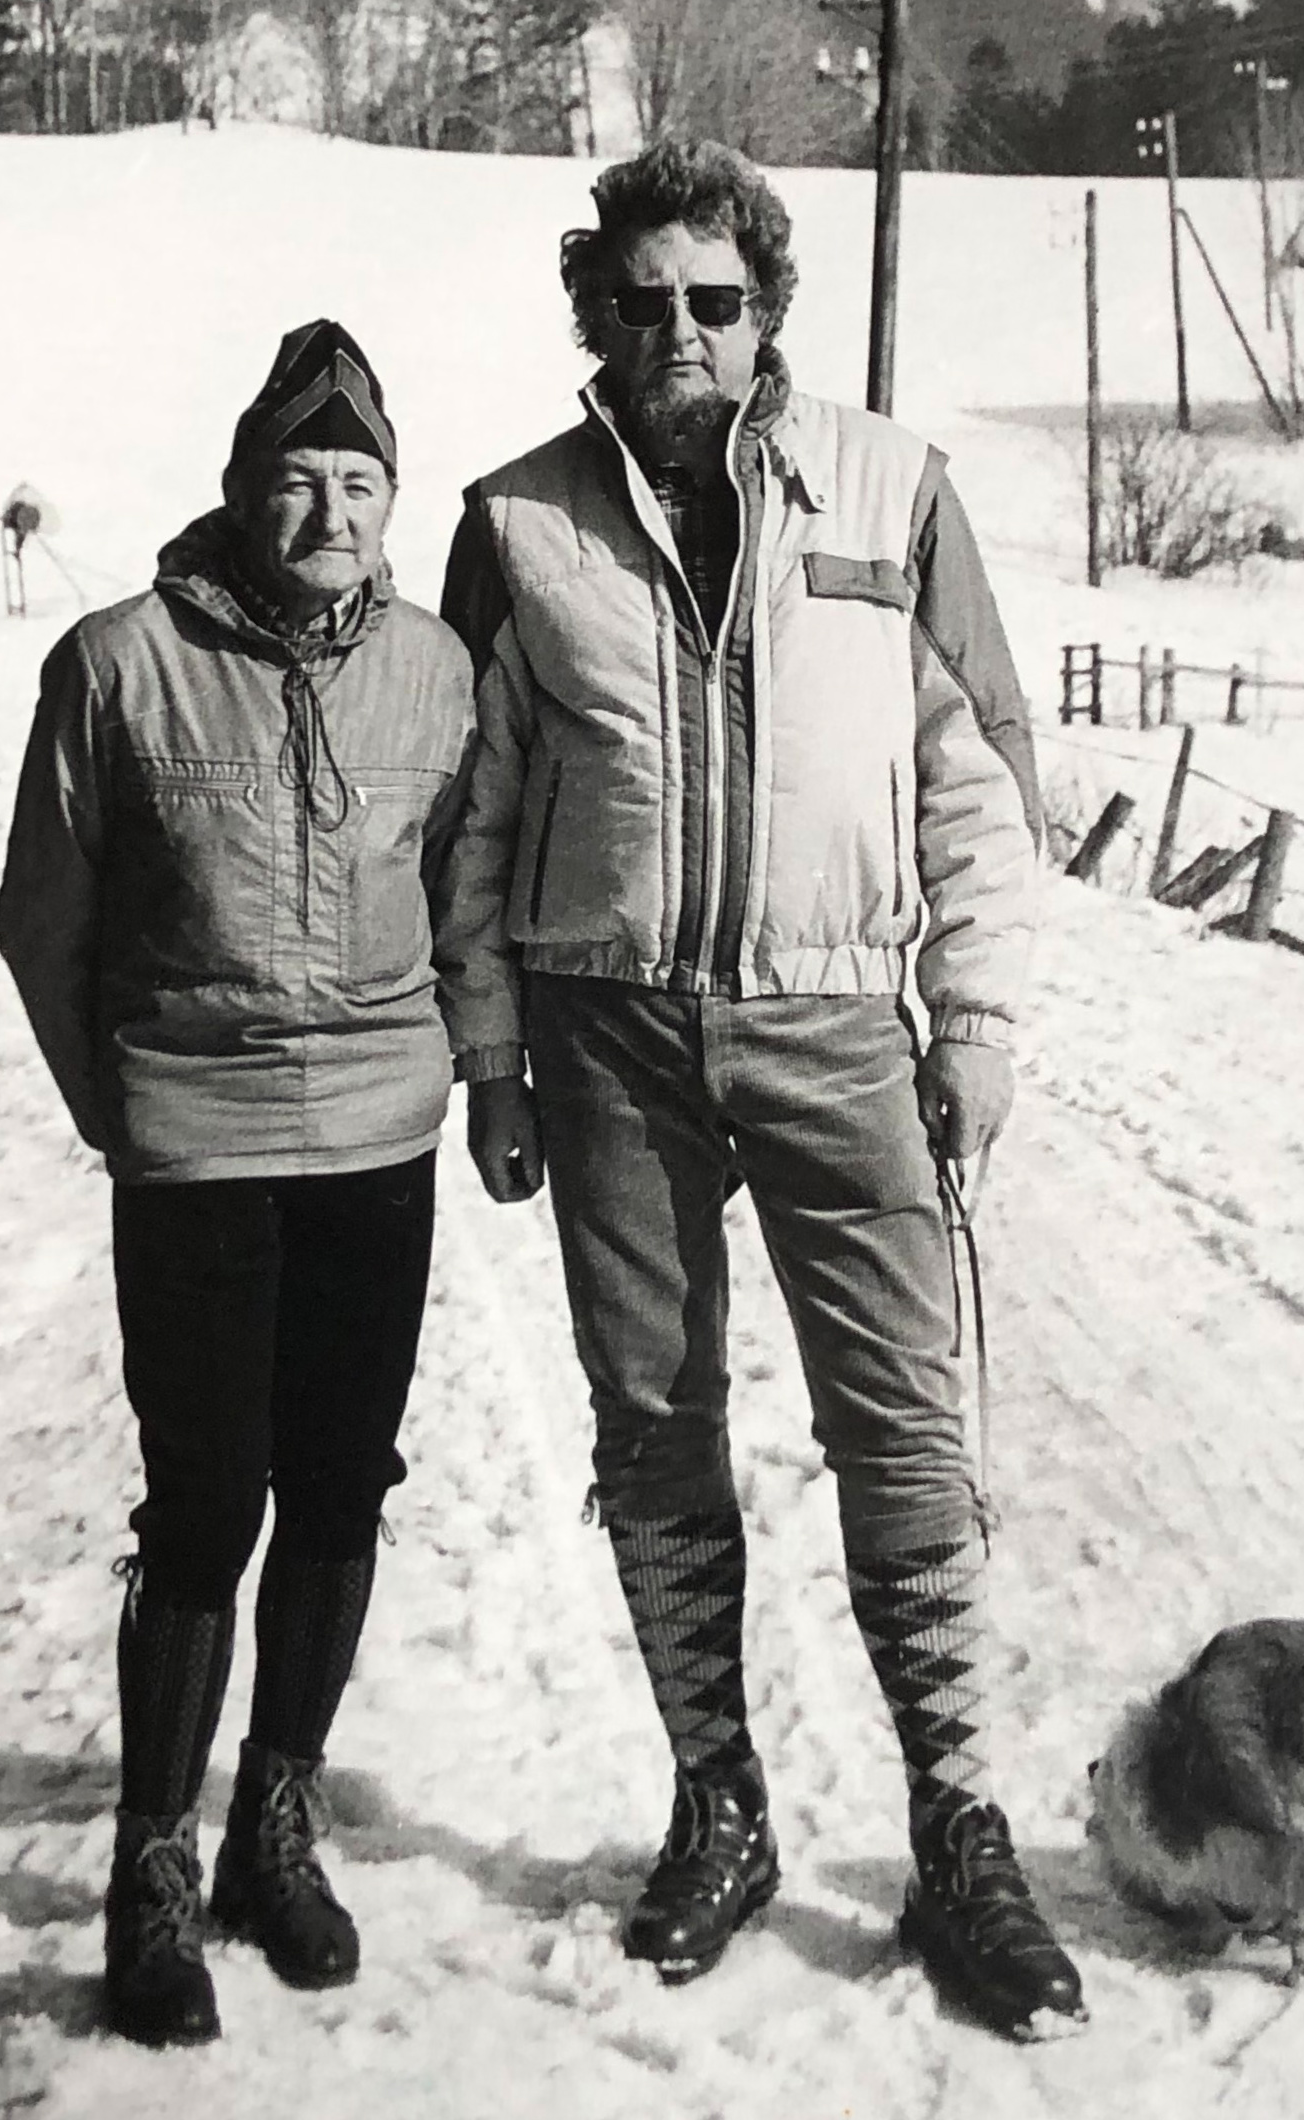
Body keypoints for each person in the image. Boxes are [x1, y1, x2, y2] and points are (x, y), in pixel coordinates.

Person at [433, 138, 1084, 2035]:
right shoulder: (516, 523)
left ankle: (959, 1826)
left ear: (767, 310)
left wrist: (976, 1019)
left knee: (904, 1423)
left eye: (715, 300)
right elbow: (475, 822)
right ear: (596, 318)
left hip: (835, 1021)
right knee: (653, 1423)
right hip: (607, 1032)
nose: (681, 333)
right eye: (642, 303)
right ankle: (718, 1801)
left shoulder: (894, 488)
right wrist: (492, 1056)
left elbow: (981, 778)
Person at [0, 321, 474, 2049]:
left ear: (392, 501)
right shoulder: (116, 665)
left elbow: (460, 891)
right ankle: (151, 1860)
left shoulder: (436, 671)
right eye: (297, 480)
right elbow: (42, 920)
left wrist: (459, 1068)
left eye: (360, 482)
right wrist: (122, 1109)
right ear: (238, 490)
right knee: (204, 1503)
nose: (330, 514)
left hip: (375, 1147)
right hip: (194, 1144)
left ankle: (278, 1817)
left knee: (341, 1487)